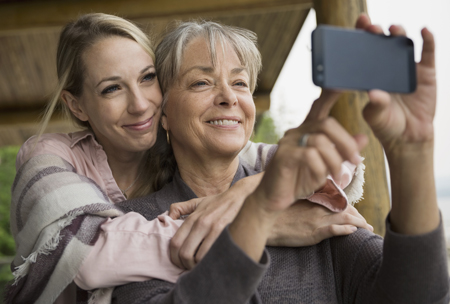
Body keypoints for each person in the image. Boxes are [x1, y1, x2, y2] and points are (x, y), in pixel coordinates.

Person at [7, 13, 369, 304]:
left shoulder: (184, 149)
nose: (140, 103)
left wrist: (249, 191)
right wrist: (262, 223)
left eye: (147, 78)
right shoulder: (48, 157)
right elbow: (87, 256)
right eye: (112, 88)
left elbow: (330, 166)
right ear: (76, 105)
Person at [112, 16, 449, 303]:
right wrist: (259, 210)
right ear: (164, 113)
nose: (229, 97)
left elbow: (417, 295)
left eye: (240, 82)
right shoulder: (132, 225)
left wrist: (413, 154)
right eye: (202, 82)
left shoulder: (313, 208)